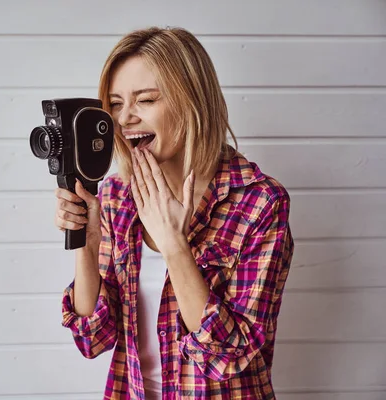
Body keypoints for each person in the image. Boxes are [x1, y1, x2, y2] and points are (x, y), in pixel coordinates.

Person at [54, 26, 294, 400]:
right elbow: (92, 338)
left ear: (192, 101)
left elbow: (230, 356)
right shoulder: (117, 195)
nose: (125, 118)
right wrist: (87, 244)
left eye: (145, 100)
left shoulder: (259, 203)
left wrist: (174, 246)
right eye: (115, 104)